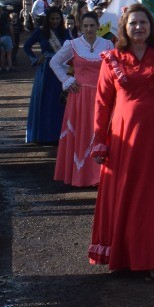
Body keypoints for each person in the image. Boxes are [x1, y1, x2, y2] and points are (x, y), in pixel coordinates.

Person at [89, 4, 154, 276]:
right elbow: (102, 103)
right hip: (125, 139)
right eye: (133, 23)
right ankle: (130, 257)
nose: (138, 27)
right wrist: (99, 140)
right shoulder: (112, 58)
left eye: (143, 22)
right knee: (130, 194)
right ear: (124, 26)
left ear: (150, 26)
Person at [50, 13, 112, 188]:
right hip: (80, 96)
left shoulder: (107, 44)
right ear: (81, 27)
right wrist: (67, 80)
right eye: (85, 26)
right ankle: (82, 175)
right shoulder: (73, 44)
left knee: (99, 131)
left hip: (102, 95)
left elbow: (113, 68)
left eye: (92, 25)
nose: (89, 29)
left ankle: (100, 175)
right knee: (83, 131)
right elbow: (54, 62)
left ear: (98, 26)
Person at [23, 12, 68, 144]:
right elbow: (26, 46)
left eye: (57, 18)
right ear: (48, 19)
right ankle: (42, 135)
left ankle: (57, 134)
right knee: (44, 100)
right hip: (46, 70)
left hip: (60, 69)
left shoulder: (65, 32)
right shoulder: (41, 31)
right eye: (52, 18)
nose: (55, 21)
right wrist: (35, 59)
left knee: (58, 101)